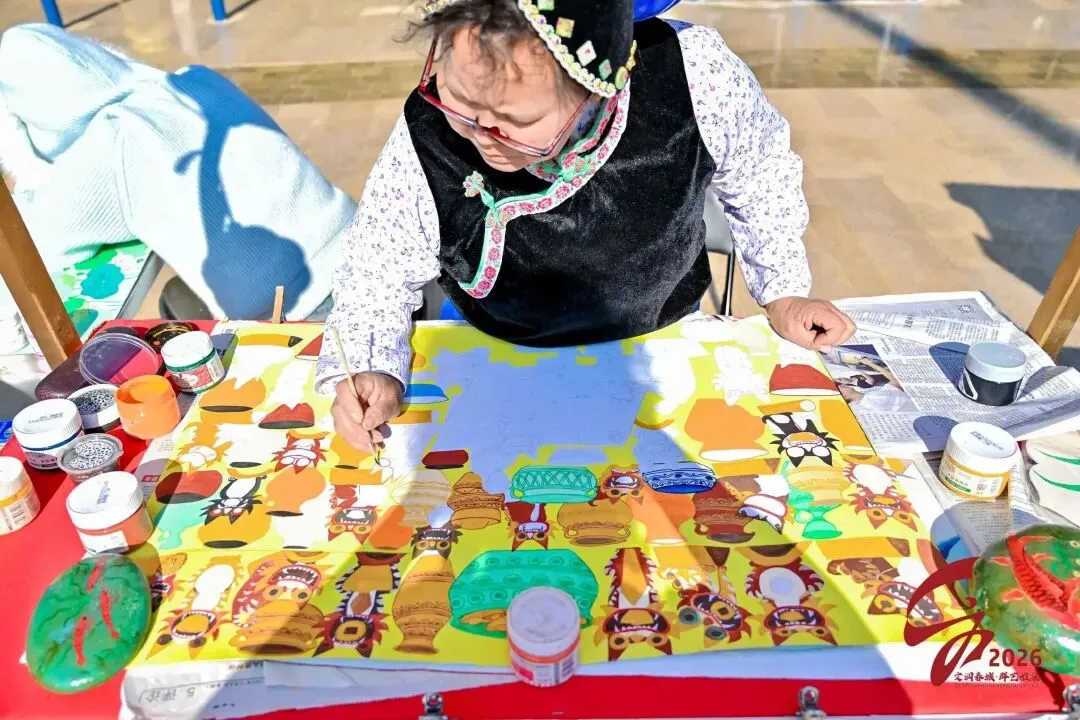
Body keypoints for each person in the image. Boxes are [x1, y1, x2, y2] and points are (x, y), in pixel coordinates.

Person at [319, 0, 857, 449]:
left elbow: (761, 173)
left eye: (515, 121)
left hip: (664, 348)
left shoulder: (696, 75)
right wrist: (372, 367)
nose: (481, 132)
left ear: (597, 91)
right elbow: (377, 267)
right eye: (460, 99)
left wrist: (784, 290)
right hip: (496, 356)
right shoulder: (430, 133)